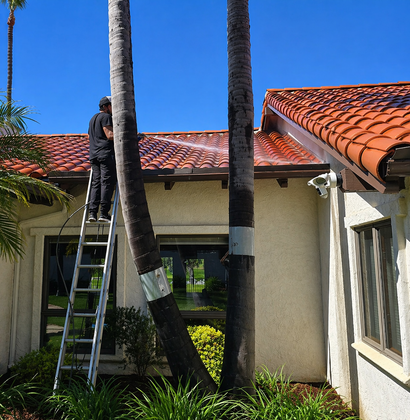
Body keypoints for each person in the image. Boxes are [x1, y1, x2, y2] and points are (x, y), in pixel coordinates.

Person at [88, 96, 116, 222]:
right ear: (106, 107)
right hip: (105, 154)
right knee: (106, 182)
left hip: (94, 155)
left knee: (96, 183)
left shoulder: (92, 119)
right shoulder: (106, 117)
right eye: (111, 106)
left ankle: (92, 213)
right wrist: (125, 134)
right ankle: (104, 213)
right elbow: (109, 135)